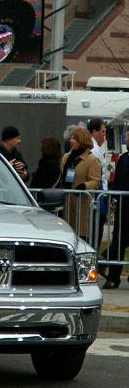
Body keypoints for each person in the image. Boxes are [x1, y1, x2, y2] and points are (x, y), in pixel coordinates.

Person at [60, 127, 101, 241]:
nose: (71, 141)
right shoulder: (66, 157)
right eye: (71, 138)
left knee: (80, 235)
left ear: (81, 141)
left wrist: (84, 186)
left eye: (74, 139)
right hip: (67, 203)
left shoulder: (92, 160)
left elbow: (95, 181)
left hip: (82, 204)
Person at [102, 128, 129, 289]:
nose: (126, 139)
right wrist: (113, 198)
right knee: (119, 241)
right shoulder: (124, 158)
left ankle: (104, 258)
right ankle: (113, 277)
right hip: (123, 207)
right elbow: (118, 181)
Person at [87, 118, 109, 253]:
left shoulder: (96, 148)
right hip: (96, 196)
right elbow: (99, 175)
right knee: (96, 231)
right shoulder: (94, 149)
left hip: (99, 194)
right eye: (102, 131)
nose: (104, 134)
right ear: (94, 131)